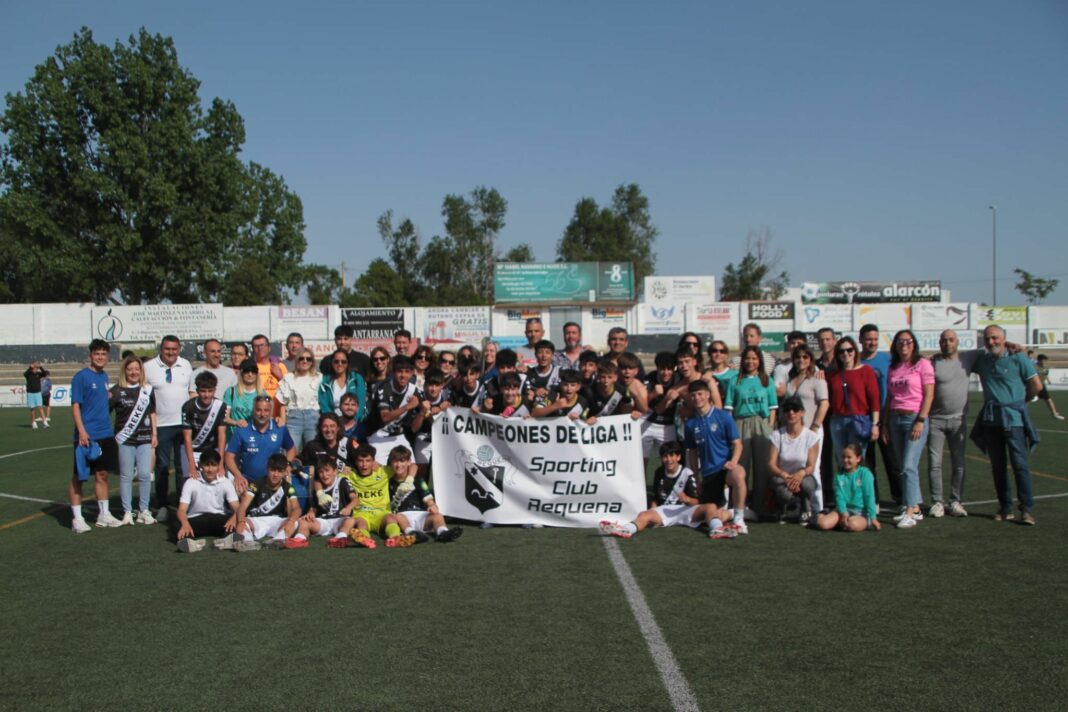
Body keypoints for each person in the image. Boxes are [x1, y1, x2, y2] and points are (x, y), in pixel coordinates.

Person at [970, 325, 1042, 524]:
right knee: (998, 467)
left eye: (995, 338)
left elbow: (1037, 385)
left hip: (1014, 421)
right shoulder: (982, 360)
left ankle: (1026, 509)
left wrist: (1022, 403)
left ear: (1003, 338)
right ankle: (1005, 507)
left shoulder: (1019, 358)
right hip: (991, 421)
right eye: (987, 339)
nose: (991, 342)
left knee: (1020, 465)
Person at [599, 441, 739, 540]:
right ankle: (626, 529)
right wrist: (651, 511)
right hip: (665, 511)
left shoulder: (687, 473)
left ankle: (717, 529)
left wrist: (687, 499)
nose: (668, 459)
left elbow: (697, 501)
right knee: (644, 515)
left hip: (685, 509)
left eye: (672, 456)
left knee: (711, 507)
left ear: (678, 457)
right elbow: (656, 497)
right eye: (665, 456)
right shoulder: (659, 472)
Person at [883, 329, 934, 529]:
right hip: (895, 419)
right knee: (903, 466)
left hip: (914, 418)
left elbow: (929, 394)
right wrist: (885, 423)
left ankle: (910, 511)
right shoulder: (893, 367)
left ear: (914, 344)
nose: (904, 345)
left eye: (908, 341)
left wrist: (921, 419)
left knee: (908, 466)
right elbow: (890, 397)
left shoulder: (923, 364)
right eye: (900, 341)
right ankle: (915, 506)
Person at [68, 339, 122, 532]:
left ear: (107, 356)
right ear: (90, 355)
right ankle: (77, 519)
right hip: (87, 435)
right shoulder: (81, 377)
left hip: (105, 434)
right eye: (97, 353)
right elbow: (76, 405)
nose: (100, 357)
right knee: (80, 476)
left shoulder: (104, 376)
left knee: (102, 474)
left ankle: (104, 514)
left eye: (103, 354)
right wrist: (82, 431)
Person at [684, 380, 748, 534]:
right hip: (708, 474)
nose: (697, 398)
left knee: (739, 473)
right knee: (710, 516)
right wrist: (696, 478)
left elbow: (738, 444)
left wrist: (733, 462)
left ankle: (739, 518)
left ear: (708, 395)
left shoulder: (723, 416)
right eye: (693, 395)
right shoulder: (690, 424)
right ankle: (732, 513)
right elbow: (692, 452)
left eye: (700, 394)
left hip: (725, 468)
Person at [144, 334, 195, 521]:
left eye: (174, 349)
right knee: (162, 466)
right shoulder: (149, 367)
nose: (171, 352)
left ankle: (183, 504)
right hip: (161, 425)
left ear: (179, 349)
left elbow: (191, 393)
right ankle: (162, 505)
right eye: (167, 349)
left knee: (183, 467)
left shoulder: (186, 365)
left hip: (183, 425)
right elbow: (144, 396)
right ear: (161, 349)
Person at [926, 330, 971, 518]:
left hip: (958, 420)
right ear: (939, 343)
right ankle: (937, 502)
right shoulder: (932, 362)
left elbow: (991, 349)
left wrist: (1012, 345)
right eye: (944, 341)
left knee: (958, 463)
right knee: (934, 463)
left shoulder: (968, 358)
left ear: (957, 341)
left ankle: (955, 501)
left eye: (951, 340)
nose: (947, 343)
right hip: (935, 421)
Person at [110, 355, 157, 526]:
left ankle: (144, 510)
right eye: (130, 369)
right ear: (125, 371)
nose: (133, 372)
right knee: (126, 476)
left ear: (141, 370)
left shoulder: (148, 389)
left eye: (137, 369)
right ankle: (127, 512)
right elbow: (106, 412)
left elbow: (152, 412)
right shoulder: (116, 391)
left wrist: (154, 434)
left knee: (145, 474)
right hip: (124, 439)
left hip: (144, 438)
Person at [731, 345, 778, 517]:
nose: (750, 362)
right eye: (747, 358)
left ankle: (760, 506)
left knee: (762, 467)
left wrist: (769, 426)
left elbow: (773, 407)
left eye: (754, 358)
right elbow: (729, 408)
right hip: (740, 423)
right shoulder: (735, 380)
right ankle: (739, 506)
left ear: (759, 361)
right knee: (741, 466)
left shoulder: (766, 380)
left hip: (761, 423)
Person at [859, 323, 902, 507]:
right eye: (868, 339)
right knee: (867, 463)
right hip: (863, 418)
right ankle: (873, 500)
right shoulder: (855, 361)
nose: (872, 342)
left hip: (886, 418)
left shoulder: (888, 359)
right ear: (861, 340)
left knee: (892, 460)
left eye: (875, 339)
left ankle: (900, 497)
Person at [339, 444, 415, 548]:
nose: (364, 465)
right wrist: (344, 469)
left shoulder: (384, 471)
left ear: (373, 461)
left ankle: (395, 538)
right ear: (356, 462)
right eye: (361, 461)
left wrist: (410, 479)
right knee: (361, 524)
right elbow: (332, 477)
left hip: (382, 513)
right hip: (362, 514)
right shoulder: (350, 474)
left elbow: (413, 466)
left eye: (368, 461)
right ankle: (364, 539)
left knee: (391, 518)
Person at [826, 337, 881, 468]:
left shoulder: (866, 371)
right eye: (841, 351)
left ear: (855, 351)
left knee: (856, 462)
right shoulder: (833, 375)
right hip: (837, 421)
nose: (845, 353)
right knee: (841, 461)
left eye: (849, 350)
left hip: (858, 421)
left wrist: (875, 424)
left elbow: (874, 399)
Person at [225, 396, 297, 494]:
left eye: (266, 410)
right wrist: (238, 475)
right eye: (258, 410)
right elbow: (229, 456)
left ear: (271, 411)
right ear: (253, 410)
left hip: (274, 482)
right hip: (248, 482)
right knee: (238, 492)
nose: (262, 414)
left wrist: (287, 464)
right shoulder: (242, 429)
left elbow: (292, 449)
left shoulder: (279, 428)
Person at [172, 450, 240, 553]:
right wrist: (185, 524)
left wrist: (234, 518)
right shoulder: (191, 482)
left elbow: (237, 507)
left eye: (214, 465)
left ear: (219, 466)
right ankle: (190, 542)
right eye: (207, 465)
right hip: (196, 519)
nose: (210, 469)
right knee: (176, 523)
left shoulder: (225, 482)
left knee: (238, 520)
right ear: (200, 466)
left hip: (219, 519)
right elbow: (181, 509)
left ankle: (227, 540)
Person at [768, 395, 821, 524]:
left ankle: (805, 507)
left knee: (807, 485)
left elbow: (811, 466)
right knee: (782, 491)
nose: (791, 413)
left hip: (802, 476)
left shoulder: (811, 437)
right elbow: (771, 464)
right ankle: (783, 508)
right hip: (783, 476)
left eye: (795, 409)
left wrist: (800, 474)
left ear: (802, 412)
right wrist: (784, 475)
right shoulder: (777, 435)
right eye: (787, 409)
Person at [233, 453, 303, 550]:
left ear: (284, 472)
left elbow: (297, 508)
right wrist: (241, 521)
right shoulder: (256, 484)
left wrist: (291, 521)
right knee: (242, 522)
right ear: (267, 469)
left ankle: (277, 540)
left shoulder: (288, 487)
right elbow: (243, 506)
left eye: (280, 471)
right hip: (257, 520)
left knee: (296, 522)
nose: (276, 474)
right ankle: (248, 542)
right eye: (273, 470)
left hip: (277, 521)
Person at [389, 454, 462, 542]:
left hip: (420, 514)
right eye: (395, 461)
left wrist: (432, 505)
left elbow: (427, 496)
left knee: (438, 516)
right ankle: (411, 533)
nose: (398, 465)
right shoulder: (388, 481)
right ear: (391, 463)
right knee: (398, 516)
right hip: (402, 515)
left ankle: (443, 533)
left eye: (402, 461)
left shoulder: (418, 479)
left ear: (408, 462)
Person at [784, 344, 829, 485]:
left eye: (805, 357)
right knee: (795, 467)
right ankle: (800, 498)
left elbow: (824, 403)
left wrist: (815, 426)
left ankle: (817, 499)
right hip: (794, 431)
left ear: (810, 359)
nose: (801, 360)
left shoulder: (817, 378)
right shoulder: (791, 379)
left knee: (812, 468)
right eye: (798, 357)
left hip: (812, 428)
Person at [365, 355, 421, 464]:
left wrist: (423, 412)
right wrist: (407, 407)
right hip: (378, 436)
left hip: (398, 436)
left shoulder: (414, 391)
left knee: (412, 466)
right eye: (399, 371)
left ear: (412, 373)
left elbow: (414, 429)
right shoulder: (383, 388)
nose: (403, 375)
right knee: (379, 470)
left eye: (407, 372)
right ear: (393, 372)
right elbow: (385, 417)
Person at [815, 443, 880, 532]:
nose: (845, 460)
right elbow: (839, 497)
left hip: (861, 512)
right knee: (822, 524)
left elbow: (869, 497)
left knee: (852, 524)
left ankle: (840, 522)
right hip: (844, 510)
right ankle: (824, 516)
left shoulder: (865, 474)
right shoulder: (839, 476)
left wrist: (873, 517)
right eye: (843, 457)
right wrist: (843, 512)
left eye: (849, 457)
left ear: (858, 458)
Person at [299, 455, 359, 547]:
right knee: (303, 522)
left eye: (327, 470)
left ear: (335, 471)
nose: (324, 475)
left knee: (350, 520)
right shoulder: (318, 488)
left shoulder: (342, 481)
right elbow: (314, 506)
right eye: (321, 472)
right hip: (324, 521)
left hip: (340, 519)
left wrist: (348, 508)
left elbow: (355, 499)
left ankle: (340, 538)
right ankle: (299, 539)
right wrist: (311, 513)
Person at [180, 371, 228, 482]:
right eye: (203, 391)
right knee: (189, 480)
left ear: (215, 390)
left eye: (210, 391)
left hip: (212, 448)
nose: (206, 395)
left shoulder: (220, 406)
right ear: (197, 391)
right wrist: (191, 465)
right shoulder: (188, 407)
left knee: (218, 480)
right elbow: (187, 437)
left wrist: (220, 463)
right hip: (192, 448)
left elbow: (222, 435)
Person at [275, 347, 321, 451]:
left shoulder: (319, 378)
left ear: (312, 361)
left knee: (313, 451)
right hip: (293, 418)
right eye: (301, 358)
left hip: (314, 419)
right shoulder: (288, 378)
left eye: (308, 359)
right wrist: (283, 421)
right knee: (290, 451)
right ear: (297, 360)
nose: (305, 361)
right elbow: (282, 403)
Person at [411, 367, 449, 476]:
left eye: (437, 385)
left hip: (443, 438)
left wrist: (445, 408)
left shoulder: (448, 396)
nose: (433, 389)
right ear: (425, 384)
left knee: (443, 471)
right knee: (420, 471)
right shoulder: (419, 397)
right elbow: (414, 429)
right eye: (431, 385)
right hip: (423, 436)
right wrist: (422, 412)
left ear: (442, 385)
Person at [318, 348, 366, 423]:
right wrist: (333, 422)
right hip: (333, 422)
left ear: (347, 363)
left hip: (354, 421)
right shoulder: (325, 381)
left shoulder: (357, 378)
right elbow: (324, 404)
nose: (340, 364)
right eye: (336, 361)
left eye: (343, 362)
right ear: (332, 363)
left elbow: (361, 402)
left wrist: (354, 420)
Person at [223, 360, 263, 434]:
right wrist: (236, 422)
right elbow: (225, 418)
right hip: (235, 437)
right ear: (241, 373)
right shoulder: (231, 391)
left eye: (253, 371)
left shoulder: (262, 394)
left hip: (254, 436)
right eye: (246, 371)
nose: (250, 374)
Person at [250, 334, 286, 400]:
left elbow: (289, 388)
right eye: (256, 346)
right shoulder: (250, 368)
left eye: (262, 345)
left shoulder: (280, 366)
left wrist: (280, 376)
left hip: (278, 405)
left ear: (269, 348)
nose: (259, 348)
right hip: (259, 405)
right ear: (252, 349)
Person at [772, 331, 808, 398]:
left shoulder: (813, 367)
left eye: (799, 343)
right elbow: (779, 392)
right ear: (788, 345)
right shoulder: (781, 368)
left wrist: (787, 386)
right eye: (792, 343)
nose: (796, 345)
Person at [704, 340, 736, 410]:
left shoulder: (735, 374)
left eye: (722, 351)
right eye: (714, 351)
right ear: (709, 353)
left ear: (726, 355)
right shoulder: (704, 375)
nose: (718, 354)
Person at [1034, 354, 1065, 419]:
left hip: (1042, 386)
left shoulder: (1045, 367)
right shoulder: (1033, 367)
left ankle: (1054, 414)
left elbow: (1045, 375)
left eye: (1045, 361)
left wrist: (1048, 380)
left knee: (1048, 399)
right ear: (1039, 360)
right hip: (1033, 386)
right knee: (1027, 400)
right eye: (1043, 360)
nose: (1045, 362)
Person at [23, 361, 47, 429]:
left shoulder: (39, 374)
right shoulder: (29, 374)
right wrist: (30, 367)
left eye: (37, 368)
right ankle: (33, 422)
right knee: (32, 408)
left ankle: (44, 421)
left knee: (40, 407)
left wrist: (41, 367)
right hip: (30, 393)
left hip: (37, 393)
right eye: (35, 367)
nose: (36, 369)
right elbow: (24, 374)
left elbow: (44, 374)